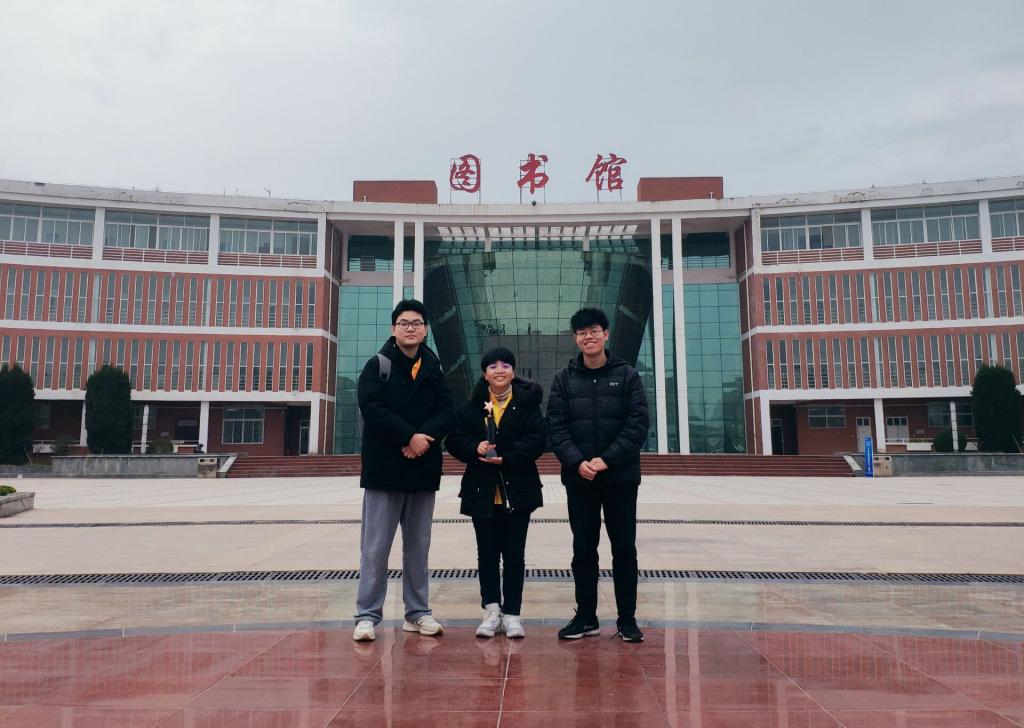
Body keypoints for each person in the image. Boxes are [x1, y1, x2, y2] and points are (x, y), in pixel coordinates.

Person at [352, 299, 455, 642]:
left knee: (418, 548)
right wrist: (409, 436)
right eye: (404, 323)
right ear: (393, 329)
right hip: (384, 470)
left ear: (425, 330)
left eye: (416, 323)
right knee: (375, 548)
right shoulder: (377, 366)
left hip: (422, 470)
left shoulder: (434, 367)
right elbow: (372, 409)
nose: (410, 328)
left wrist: (422, 440)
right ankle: (367, 615)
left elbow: (447, 411)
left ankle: (417, 612)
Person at [547, 307, 649, 642]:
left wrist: (606, 460)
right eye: (581, 332)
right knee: (583, 549)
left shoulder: (627, 375)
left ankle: (627, 619)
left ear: (606, 334)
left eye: (594, 331)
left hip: (619, 478)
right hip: (580, 479)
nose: (588, 337)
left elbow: (637, 425)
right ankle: (586, 617)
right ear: (575, 338)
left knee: (624, 548)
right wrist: (578, 462)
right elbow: (556, 427)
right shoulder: (564, 379)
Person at [446, 348, 545, 639]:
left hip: (518, 491)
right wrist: (473, 447)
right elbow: (453, 438)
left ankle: (512, 614)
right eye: (492, 366)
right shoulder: (472, 407)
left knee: (515, 555)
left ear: (513, 372)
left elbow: (538, 439)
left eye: (505, 365)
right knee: (487, 554)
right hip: (482, 491)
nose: (499, 370)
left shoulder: (526, 404)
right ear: (485, 373)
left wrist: (509, 457)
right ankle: (491, 610)